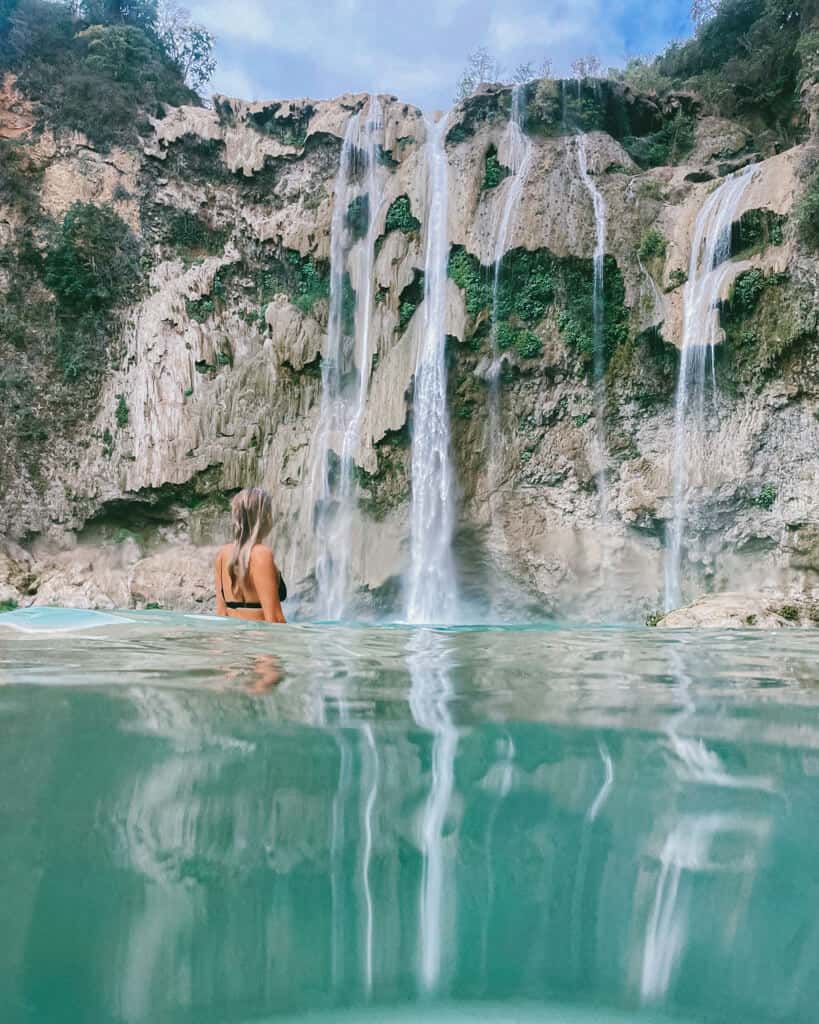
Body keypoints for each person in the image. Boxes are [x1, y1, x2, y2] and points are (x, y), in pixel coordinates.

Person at [215, 487, 286, 624]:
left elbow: (221, 613)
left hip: (230, 640)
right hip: (257, 642)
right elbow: (274, 619)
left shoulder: (222, 554)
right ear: (264, 517)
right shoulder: (262, 554)